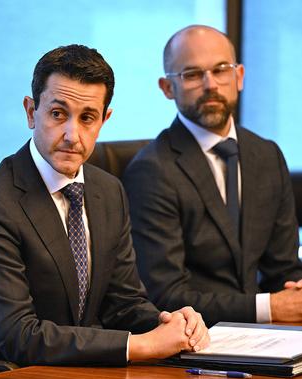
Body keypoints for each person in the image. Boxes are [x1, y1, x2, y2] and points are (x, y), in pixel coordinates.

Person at [0, 44, 209, 366]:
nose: (72, 134)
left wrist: (170, 326)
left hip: (81, 373)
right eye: (58, 114)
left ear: (104, 119)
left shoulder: (108, 191)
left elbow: (123, 303)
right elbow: (20, 336)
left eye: (88, 118)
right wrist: (143, 346)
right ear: (31, 112)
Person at [123, 25, 302, 326]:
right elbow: (164, 294)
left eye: (221, 70)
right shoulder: (152, 170)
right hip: (197, 345)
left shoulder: (266, 155)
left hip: (270, 340)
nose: (211, 84)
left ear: (239, 76)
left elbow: (283, 268)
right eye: (192, 74)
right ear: (168, 88)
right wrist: (268, 309)